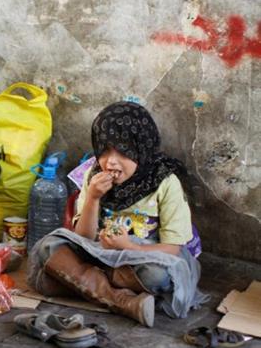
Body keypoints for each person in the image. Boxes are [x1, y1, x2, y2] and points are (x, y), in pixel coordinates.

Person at [27, 101, 209, 327]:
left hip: (143, 258)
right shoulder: (93, 176)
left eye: (123, 151)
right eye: (104, 150)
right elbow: (82, 237)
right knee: (49, 246)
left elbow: (172, 250)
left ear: (141, 148)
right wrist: (93, 197)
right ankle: (122, 301)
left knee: (158, 277)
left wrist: (129, 247)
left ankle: (83, 282)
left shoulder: (165, 182)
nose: (111, 161)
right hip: (99, 255)